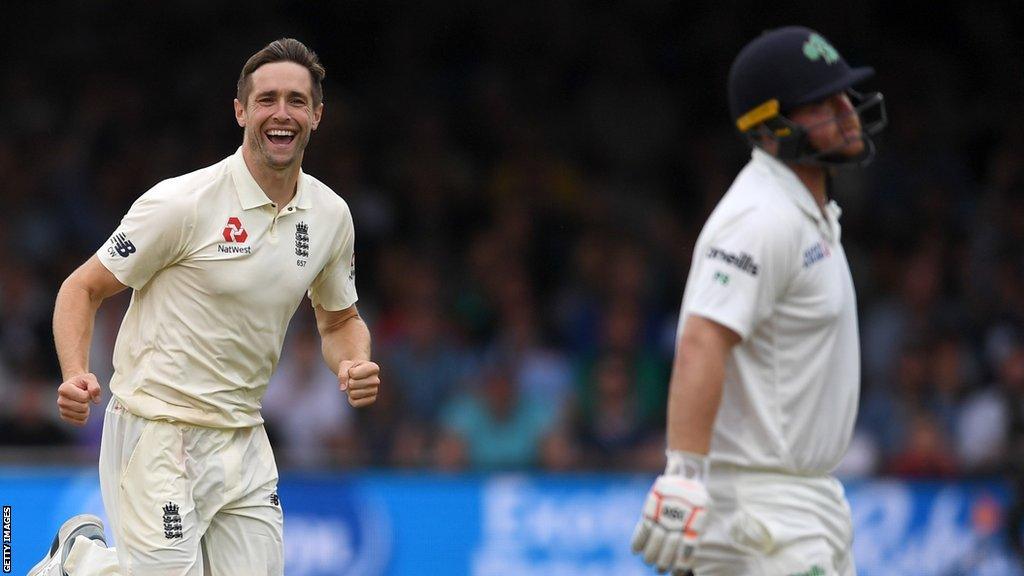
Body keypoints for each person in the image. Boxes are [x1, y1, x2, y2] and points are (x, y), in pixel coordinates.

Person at [30, 38, 380, 576]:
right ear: (240, 110)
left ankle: (82, 563)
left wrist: (352, 361)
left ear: (316, 115)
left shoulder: (331, 216)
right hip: (158, 430)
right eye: (266, 100)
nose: (280, 114)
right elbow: (82, 288)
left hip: (244, 436)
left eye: (295, 100)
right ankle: (75, 565)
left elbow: (340, 319)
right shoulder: (182, 203)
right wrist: (76, 373)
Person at [630, 26, 886, 575]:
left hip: (801, 503)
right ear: (771, 127)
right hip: (760, 512)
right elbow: (703, 339)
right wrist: (684, 475)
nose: (848, 111)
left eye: (846, 96)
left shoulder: (804, 213)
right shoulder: (759, 216)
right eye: (824, 103)